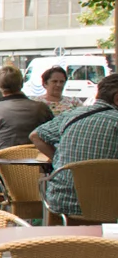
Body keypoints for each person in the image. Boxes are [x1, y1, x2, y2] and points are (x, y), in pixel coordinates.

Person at [37, 73, 118, 220]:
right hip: (107, 209)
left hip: (60, 204)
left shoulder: (72, 114)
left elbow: (36, 136)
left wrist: (60, 161)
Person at [0, 63, 53, 153]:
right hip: (36, 160)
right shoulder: (41, 109)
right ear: (21, 84)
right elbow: (54, 138)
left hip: (0, 161)